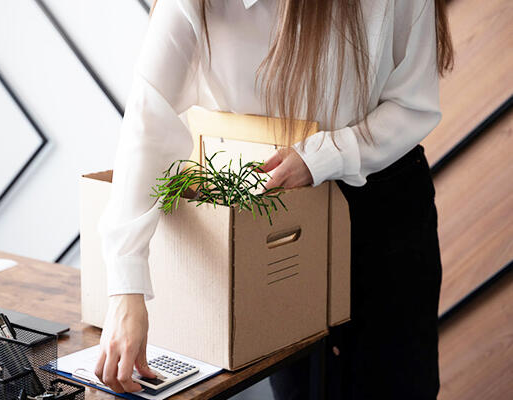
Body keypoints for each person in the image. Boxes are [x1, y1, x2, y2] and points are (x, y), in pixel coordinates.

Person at [94, 0, 453, 398]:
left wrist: (323, 156)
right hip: (274, 216)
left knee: (398, 384)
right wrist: (125, 288)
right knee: (301, 389)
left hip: (380, 203)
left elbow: (413, 105)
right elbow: (148, 123)